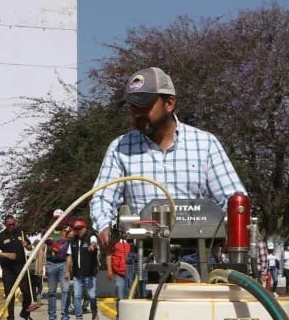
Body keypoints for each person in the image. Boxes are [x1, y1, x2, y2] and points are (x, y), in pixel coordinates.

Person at [88, 67, 247, 293]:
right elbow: (102, 197)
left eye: (145, 105)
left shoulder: (204, 144)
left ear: (170, 103)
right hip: (143, 258)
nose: (137, 113)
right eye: (133, 106)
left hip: (196, 257)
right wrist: (104, 227)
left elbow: (234, 199)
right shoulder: (120, 148)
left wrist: (231, 235)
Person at [0, 215, 35, 320]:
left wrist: (27, 245)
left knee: (27, 292)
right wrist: (6, 255)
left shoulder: (20, 232)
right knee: (9, 294)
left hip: (21, 267)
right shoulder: (1, 236)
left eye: (13, 224)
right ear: (5, 225)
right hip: (8, 269)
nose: (12, 226)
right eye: (9, 224)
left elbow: (30, 247)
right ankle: (10, 318)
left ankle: (25, 312)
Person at [65, 219, 100, 320]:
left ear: (84, 229)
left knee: (92, 296)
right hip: (77, 274)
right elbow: (69, 256)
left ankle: (94, 311)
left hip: (89, 273)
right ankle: (79, 319)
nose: (77, 231)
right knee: (77, 296)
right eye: (75, 229)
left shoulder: (91, 236)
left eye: (79, 229)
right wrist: (67, 271)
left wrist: (92, 246)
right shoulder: (73, 241)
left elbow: (94, 242)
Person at [44, 229, 69, 320]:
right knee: (51, 292)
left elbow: (69, 252)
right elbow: (42, 249)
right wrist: (40, 267)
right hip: (51, 264)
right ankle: (52, 316)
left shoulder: (66, 232)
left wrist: (68, 268)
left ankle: (65, 316)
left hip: (63, 264)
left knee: (65, 291)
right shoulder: (48, 232)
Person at [109, 235, 130, 303]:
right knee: (120, 296)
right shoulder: (114, 244)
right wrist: (110, 270)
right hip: (120, 274)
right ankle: (119, 312)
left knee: (129, 296)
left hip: (130, 274)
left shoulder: (133, 243)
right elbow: (109, 255)